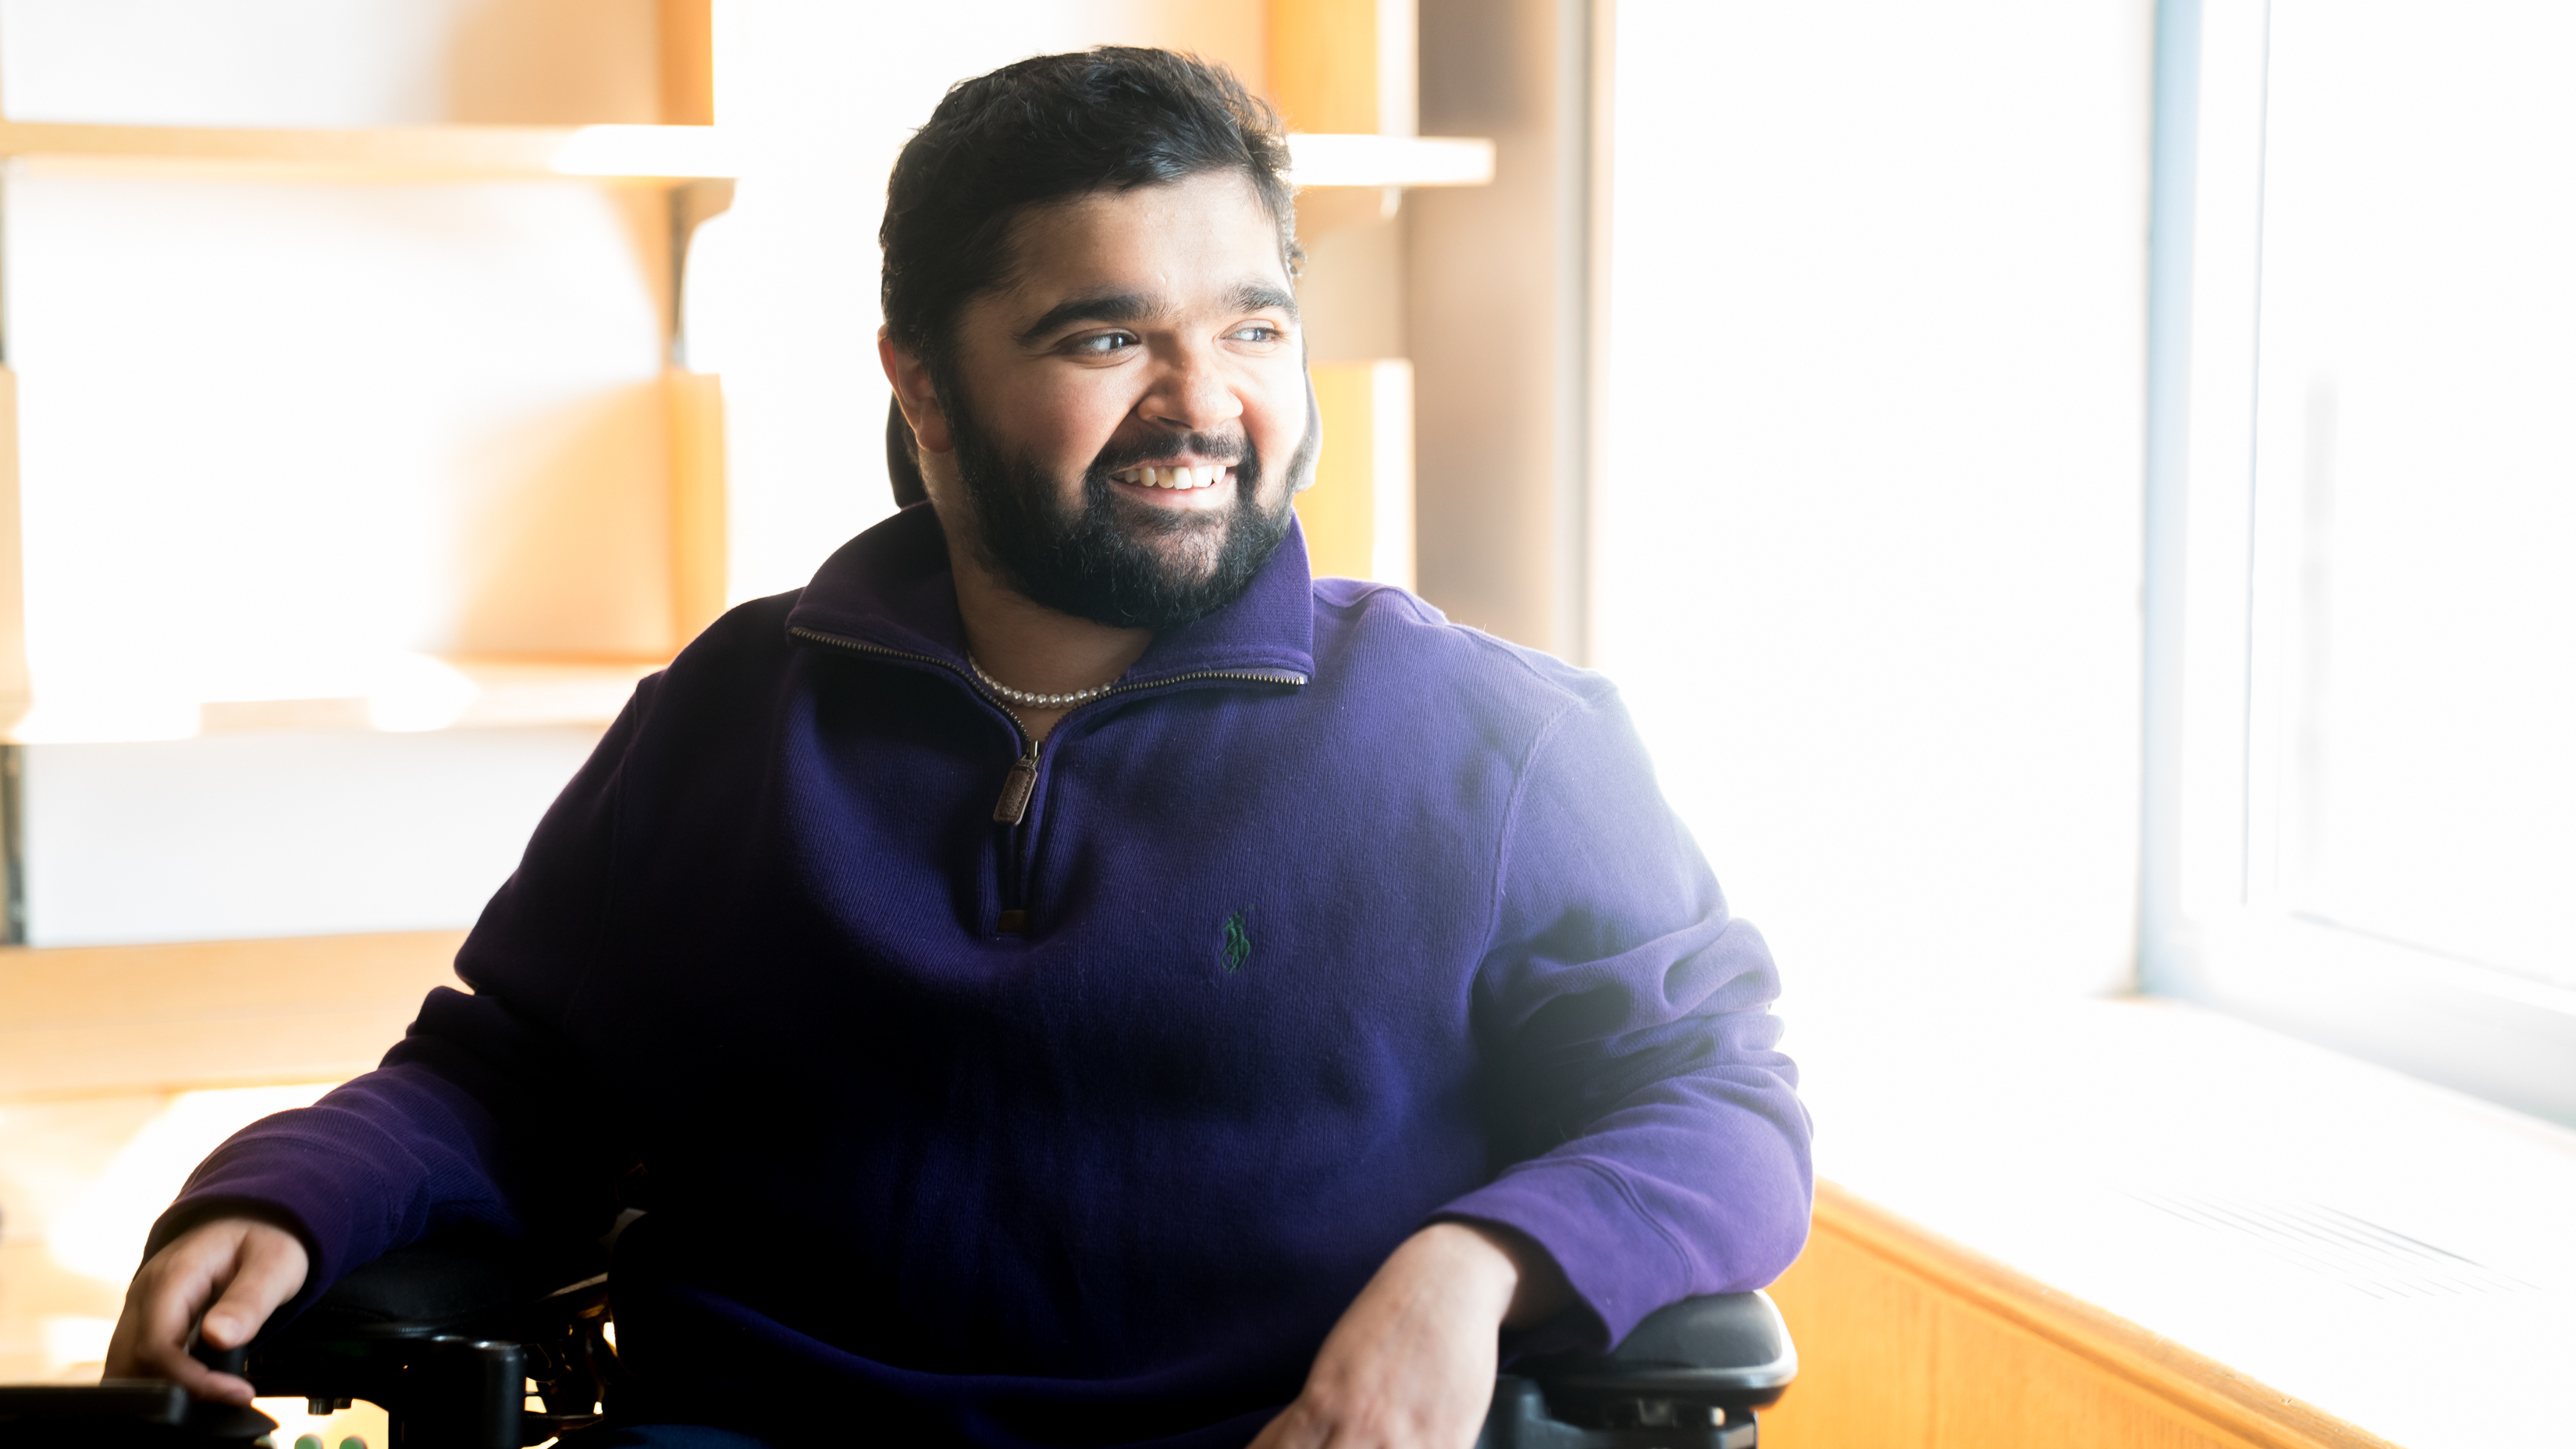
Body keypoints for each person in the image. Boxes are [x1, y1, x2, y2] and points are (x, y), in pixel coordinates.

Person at [104, 47, 1811, 1449]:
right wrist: (292, 1192)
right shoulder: (734, 709)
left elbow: (1720, 1109)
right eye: (1106, 334)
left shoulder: (1494, 740)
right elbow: (512, 1076)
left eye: (1252, 324)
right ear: (921, 383)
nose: (1203, 399)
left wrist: (1471, 1266)